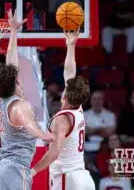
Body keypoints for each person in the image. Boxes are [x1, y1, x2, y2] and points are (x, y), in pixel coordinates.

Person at [0, 10, 53, 190]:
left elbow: (11, 64)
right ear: (16, 81)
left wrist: (13, 34)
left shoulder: (4, 100)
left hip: (0, 171)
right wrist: (44, 135)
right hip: (16, 170)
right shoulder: (19, 105)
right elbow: (27, 123)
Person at [31, 29, 95, 190]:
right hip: (83, 177)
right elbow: (70, 73)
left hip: (68, 179)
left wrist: (33, 171)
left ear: (64, 96)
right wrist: (71, 45)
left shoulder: (62, 120)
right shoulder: (78, 107)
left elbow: (54, 153)